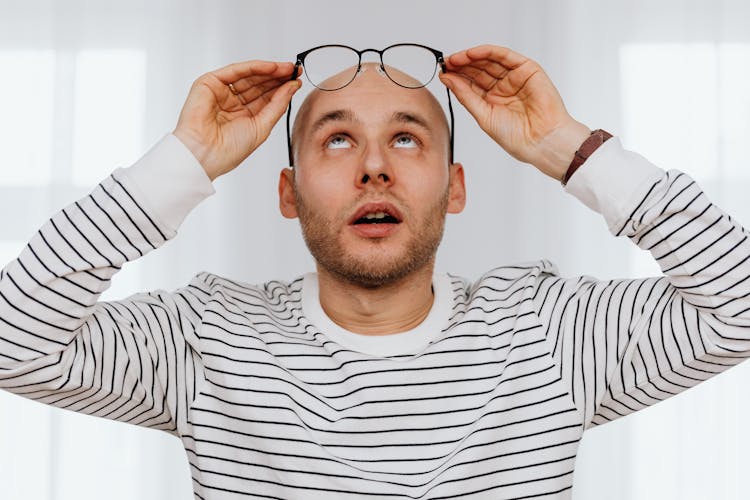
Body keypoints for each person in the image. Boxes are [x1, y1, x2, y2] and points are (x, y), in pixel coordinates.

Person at [1, 43, 748, 499]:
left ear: (454, 187)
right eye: (334, 141)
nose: (373, 169)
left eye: (406, 138)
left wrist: (564, 145)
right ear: (288, 195)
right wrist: (182, 162)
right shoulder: (205, 339)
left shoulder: (550, 329)